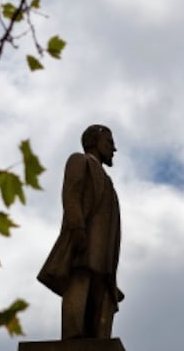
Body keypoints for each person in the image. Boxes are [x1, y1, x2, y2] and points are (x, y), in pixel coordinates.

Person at [37, 124, 124, 339]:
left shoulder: (107, 180)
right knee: (79, 282)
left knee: (100, 295)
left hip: (103, 252)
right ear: (95, 141)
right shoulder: (80, 160)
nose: (114, 149)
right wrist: (77, 228)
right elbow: (71, 194)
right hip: (84, 241)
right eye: (110, 142)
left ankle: (96, 338)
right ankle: (73, 337)